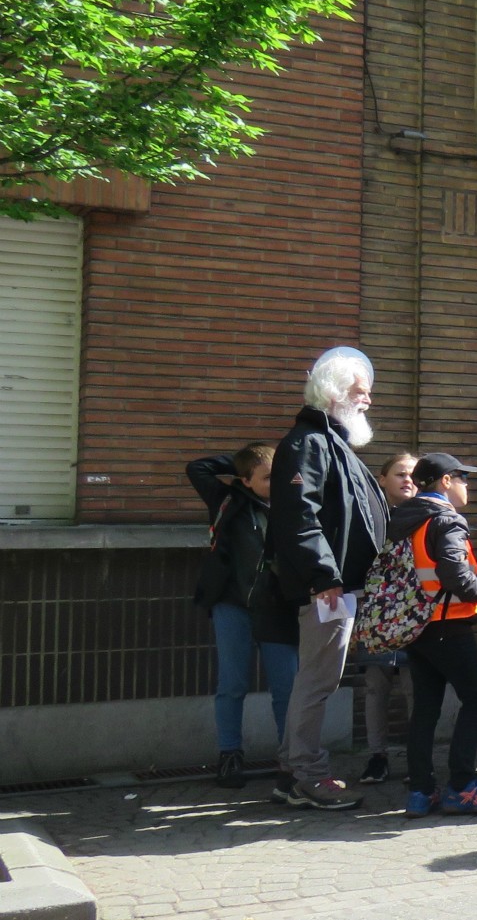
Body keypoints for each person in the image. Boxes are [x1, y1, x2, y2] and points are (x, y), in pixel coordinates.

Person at [264, 345, 386, 810]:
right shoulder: (308, 443)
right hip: (329, 589)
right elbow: (299, 517)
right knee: (317, 683)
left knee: (314, 681)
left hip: (339, 586)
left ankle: (289, 770)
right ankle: (306, 776)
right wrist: (324, 576)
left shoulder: (330, 443)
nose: (368, 400)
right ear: (335, 392)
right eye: (361, 391)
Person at [391, 453, 477, 817]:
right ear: (445, 481)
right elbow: (455, 574)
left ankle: (421, 792)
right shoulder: (446, 520)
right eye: (462, 478)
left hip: (417, 625)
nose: (466, 485)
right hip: (448, 623)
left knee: (425, 708)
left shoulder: (401, 517)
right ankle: (462, 785)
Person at [188, 442, 297, 790]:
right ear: (245, 480)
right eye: (267, 477)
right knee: (232, 684)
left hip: (278, 608)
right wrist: (243, 462)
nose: (275, 481)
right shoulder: (228, 500)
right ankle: (230, 755)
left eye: (278, 474)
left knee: (287, 688)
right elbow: (197, 468)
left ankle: (291, 759)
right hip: (232, 604)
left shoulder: (295, 504)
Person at [352, 451, 418, 786]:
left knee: (414, 687)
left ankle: (417, 759)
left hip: (414, 617)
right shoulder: (369, 516)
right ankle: (377, 757)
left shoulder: (426, 515)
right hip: (377, 614)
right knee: (375, 687)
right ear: (382, 479)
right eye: (400, 474)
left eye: (414, 475)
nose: (409, 480)